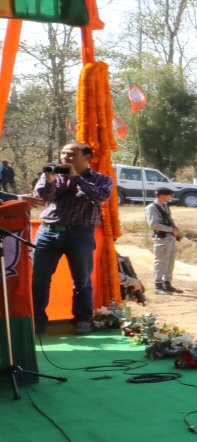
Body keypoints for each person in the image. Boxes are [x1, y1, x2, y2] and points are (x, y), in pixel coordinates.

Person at [29, 142, 113, 334]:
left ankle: (82, 320)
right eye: (63, 154)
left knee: (82, 280)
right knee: (39, 280)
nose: (65, 159)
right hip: (48, 232)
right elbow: (43, 197)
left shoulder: (102, 179)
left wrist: (75, 178)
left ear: (87, 158)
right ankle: (37, 322)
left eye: (71, 155)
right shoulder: (52, 174)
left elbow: (99, 197)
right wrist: (49, 180)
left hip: (80, 233)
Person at [146, 186, 182, 293]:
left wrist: (175, 232)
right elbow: (154, 224)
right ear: (162, 196)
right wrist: (170, 229)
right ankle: (158, 285)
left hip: (170, 238)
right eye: (169, 195)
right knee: (161, 262)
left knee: (170, 262)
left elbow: (168, 220)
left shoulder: (165, 206)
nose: (170, 197)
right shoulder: (152, 208)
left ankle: (167, 283)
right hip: (162, 238)